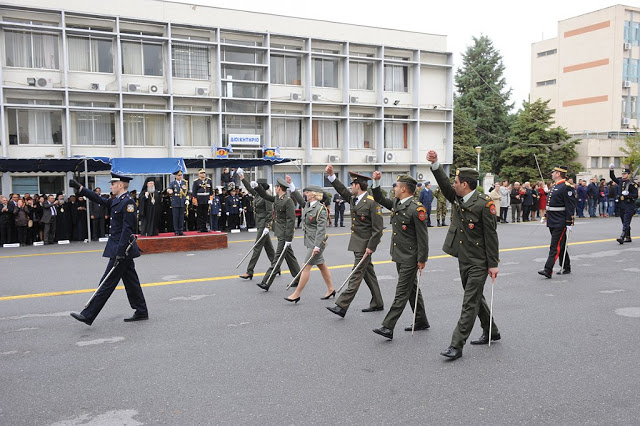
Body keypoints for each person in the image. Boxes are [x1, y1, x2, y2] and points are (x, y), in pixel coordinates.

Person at [427, 150, 500, 361]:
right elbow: (443, 185)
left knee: (469, 302)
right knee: (476, 298)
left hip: (479, 261)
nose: (454, 184)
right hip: (464, 258)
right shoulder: (458, 198)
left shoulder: (484, 204)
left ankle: (456, 345)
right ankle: (492, 331)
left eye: (456, 181)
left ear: (465, 185)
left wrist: (493, 264)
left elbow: (491, 236)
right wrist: (435, 164)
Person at [69, 174, 148, 325]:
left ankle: (88, 314)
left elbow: (128, 228)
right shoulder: (117, 201)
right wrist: (81, 189)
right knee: (131, 281)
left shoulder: (129, 203)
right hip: (119, 248)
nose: (110, 186)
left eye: (113, 184)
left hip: (121, 250)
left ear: (120, 185)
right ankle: (141, 310)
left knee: (107, 281)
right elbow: (99, 199)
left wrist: (120, 251)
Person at [370, 172, 429, 341]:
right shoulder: (397, 202)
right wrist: (376, 181)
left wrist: (422, 259)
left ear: (403, 189)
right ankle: (421, 320)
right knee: (411, 289)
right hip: (399, 254)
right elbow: (379, 198)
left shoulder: (416, 209)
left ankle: (388, 326)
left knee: (402, 291)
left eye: (396, 186)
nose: (394, 188)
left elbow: (422, 236)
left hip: (410, 257)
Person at [325, 167, 384, 317]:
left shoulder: (372, 202)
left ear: (358, 185)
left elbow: (378, 229)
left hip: (365, 246)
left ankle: (342, 305)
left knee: (356, 274)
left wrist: (371, 247)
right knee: (368, 273)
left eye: (352, 184)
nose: (350, 187)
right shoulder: (354, 199)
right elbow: (342, 190)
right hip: (357, 243)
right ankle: (378, 302)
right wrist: (331, 176)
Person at [245, 174, 301, 291]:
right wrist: (257, 187)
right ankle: (298, 278)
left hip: (285, 235)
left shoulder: (288, 201)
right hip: (280, 232)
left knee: (277, 258)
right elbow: (265, 195)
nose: (275, 188)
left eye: (276, 186)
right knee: (290, 257)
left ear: (279, 188)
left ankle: (266, 281)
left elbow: (291, 221)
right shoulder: (277, 198)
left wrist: (289, 239)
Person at [284, 185, 335, 303]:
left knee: (305, 267)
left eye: (307, 192)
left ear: (313, 194)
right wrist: (291, 185)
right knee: (321, 265)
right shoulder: (308, 205)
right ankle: (331, 289)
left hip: (316, 243)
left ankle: (296, 294)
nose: (305, 194)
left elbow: (321, 230)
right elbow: (299, 198)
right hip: (310, 240)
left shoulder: (320, 209)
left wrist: (317, 246)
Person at [538, 166, 576, 278]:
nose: (552, 173)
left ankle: (548, 269)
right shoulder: (555, 186)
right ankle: (566, 266)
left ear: (559, 173)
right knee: (561, 244)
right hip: (552, 219)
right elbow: (550, 204)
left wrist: (569, 222)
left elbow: (570, 205)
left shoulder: (566, 187)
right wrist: (546, 215)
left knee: (554, 246)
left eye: (554, 172)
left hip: (560, 220)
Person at [239, 175, 276, 280]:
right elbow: (249, 188)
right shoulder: (258, 194)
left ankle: (249, 271)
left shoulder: (266, 197)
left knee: (257, 247)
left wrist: (267, 227)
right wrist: (242, 178)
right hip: (259, 223)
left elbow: (269, 213)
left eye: (258, 185)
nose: (255, 187)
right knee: (268, 248)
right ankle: (276, 266)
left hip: (263, 225)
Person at [610, 165, 638, 244]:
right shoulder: (620, 181)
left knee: (626, 222)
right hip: (621, 204)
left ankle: (622, 237)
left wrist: (628, 194)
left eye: (625, 174)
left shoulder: (632, 184)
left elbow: (635, 195)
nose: (623, 175)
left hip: (629, 204)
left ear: (628, 174)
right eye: (622, 174)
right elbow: (612, 177)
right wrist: (611, 170)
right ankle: (628, 237)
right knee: (624, 222)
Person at [168, 170, 189, 236]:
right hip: (175, 202)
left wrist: (187, 199)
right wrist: (169, 191)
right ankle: (176, 230)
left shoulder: (184, 183)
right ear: (175, 176)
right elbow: (169, 189)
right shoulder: (173, 183)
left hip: (182, 202)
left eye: (181, 175)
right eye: (179, 175)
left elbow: (186, 192)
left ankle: (181, 230)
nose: (180, 176)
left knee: (181, 217)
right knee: (176, 217)